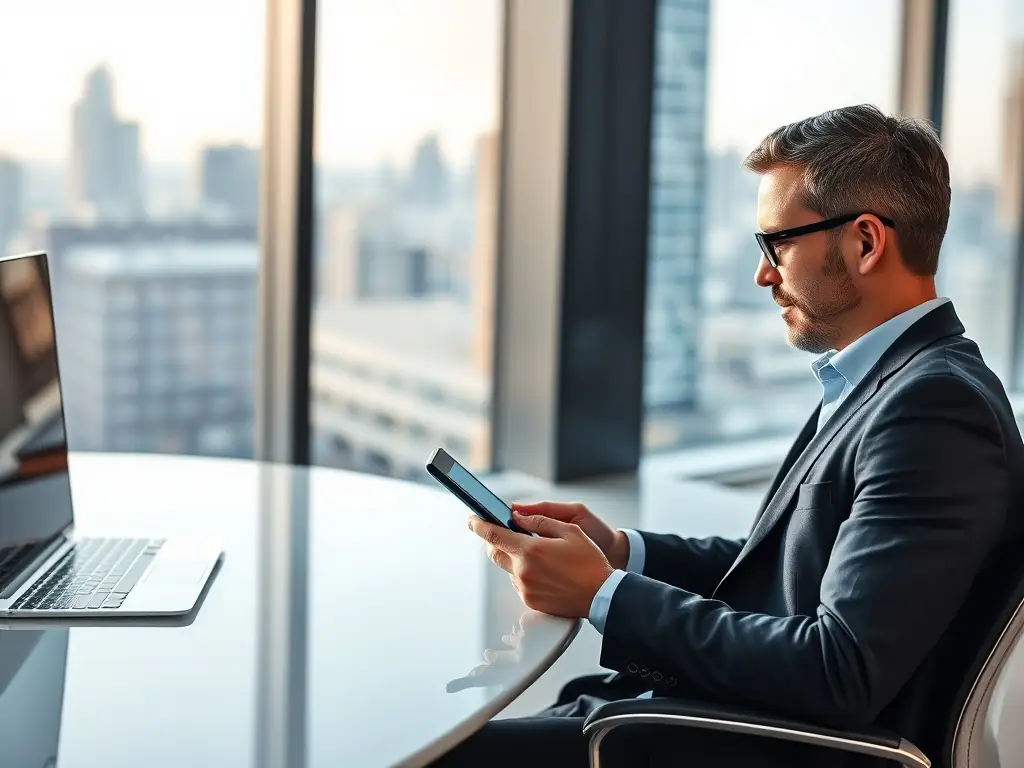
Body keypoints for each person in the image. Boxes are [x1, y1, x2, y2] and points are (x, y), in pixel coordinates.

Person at [431, 103, 1024, 768]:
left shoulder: (936, 412)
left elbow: (840, 671)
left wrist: (600, 594)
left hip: (742, 744)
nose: (762, 274)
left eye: (778, 243)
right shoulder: (885, 382)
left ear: (864, 242)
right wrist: (621, 553)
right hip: (708, 715)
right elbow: (787, 570)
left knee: (432, 752)